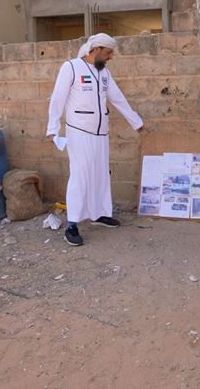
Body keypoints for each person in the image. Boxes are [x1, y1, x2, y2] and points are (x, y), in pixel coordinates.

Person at [47, 33, 144, 246]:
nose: (110, 57)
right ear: (97, 49)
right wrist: (52, 129)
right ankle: (72, 224)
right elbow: (57, 99)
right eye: (109, 53)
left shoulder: (104, 73)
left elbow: (118, 98)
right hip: (78, 132)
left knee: (100, 175)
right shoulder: (71, 67)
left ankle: (99, 214)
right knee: (80, 176)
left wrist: (136, 122)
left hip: (101, 133)